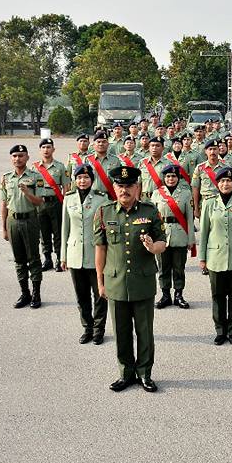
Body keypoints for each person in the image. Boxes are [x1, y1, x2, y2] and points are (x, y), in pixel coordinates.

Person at [94, 166, 167, 392]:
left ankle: (145, 373)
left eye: (129, 186)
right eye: (120, 186)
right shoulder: (104, 212)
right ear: (114, 187)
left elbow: (162, 242)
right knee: (121, 333)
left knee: (145, 332)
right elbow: (101, 249)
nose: (124, 190)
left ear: (138, 187)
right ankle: (125, 373)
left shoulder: (150, 211)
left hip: (142, 282)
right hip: (115, 282)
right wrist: (100, 281)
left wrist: (153, 247)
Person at [198, 167, 232, 345]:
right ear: (217, 184)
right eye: (222, 181)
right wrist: (202, 258)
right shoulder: (209, 203)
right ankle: (220, 330)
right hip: (215, 257)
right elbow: (204, 232)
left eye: (228, 181)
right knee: (218, 296)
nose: (225, 184)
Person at [61, 163, 110, 344]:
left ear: (92, 179)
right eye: (79, 178)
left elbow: (105, 230)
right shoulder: (69, 198)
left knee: (99, 295)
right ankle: (87, 328)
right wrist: (63, 256)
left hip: (96, 254)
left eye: (86, 177)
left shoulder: (101, 199)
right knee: (81, 296)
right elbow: (64, 228)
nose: (83, 181)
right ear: (75, 180)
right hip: (74, 254)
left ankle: (99, 330)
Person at [1, 144, 45, 309]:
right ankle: (24, 293)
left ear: (27, 157)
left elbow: (40, 201)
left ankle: (36, 293)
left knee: (33, 258)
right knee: (19, 260)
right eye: (14, 156)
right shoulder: (6, 178)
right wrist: (4, 227)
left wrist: (27, 192)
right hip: (13, 221)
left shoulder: (36, 177)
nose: (17, 159)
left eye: (21, 155)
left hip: (30, 220)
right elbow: (4, 203)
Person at [151, 164, 195, 310]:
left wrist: (191, 239)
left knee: (179, 267)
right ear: (164, 178)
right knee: (163, 267)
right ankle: (165, 295)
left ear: (178, 177)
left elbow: (189, 218)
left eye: (174, 176)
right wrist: (152, 238)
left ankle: (178, 295)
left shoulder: (186, 193)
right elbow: (153, 219)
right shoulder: (157, 193)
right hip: (162, 235)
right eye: (168, 176)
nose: (171, 179)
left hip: (180, 234)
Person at [32, 138, 68, 272]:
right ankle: (47, 259)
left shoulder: (60, 166)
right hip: (41, 204)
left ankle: (59, 259)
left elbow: (66, 186)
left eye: (48, 147)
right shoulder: (34, 167)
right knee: (44, 232)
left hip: (56, 202)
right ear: (40, 150)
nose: (46, 150)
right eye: (43, 147)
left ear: (53, 149)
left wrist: (65, 203)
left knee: (58, 232)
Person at [85, 131, 121, 200]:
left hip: (110, 197)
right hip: (92, 197)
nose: (101, 144)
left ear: (108, 144)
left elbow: (118, 180)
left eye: (104, 142)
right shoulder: (87, 160)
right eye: (98, 142)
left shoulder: (115, 160)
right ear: (94, 145)